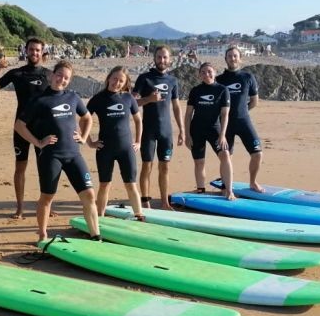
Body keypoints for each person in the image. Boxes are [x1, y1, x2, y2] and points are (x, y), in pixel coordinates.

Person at [15, 60, 100, 242]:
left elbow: (86, 117)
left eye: (66, 78)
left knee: (89, 194)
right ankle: (43, 234)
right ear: (51, 75)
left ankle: (95, 234)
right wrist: (38, 142)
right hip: (50, 156)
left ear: (69, 80)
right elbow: (19, 125)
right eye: (59, 75)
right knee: (47, 196)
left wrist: (84, 138)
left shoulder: (73, 97)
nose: (61, 79)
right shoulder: (38, 100)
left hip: (73, 154)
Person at [0, 37, 51, 218]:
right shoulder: (17, 73)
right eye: (31, 49)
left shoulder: (49, 75)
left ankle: (45, 205)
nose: (34, 53)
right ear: (26, 51)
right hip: (21, 127)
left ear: (42, 52)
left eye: (37, 50)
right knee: (20, 168)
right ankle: (20, 207)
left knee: (45, 168)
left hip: (43, 129)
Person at [86, 66, 144, 219]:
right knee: (105, 184)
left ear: (125, 83)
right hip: (105, 149)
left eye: (121, 81)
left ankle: (139, 215)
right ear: (109, 78)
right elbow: (84, 120)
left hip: (126, 149)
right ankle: (100, 217)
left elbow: (138, 120)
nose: (117, 83)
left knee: (131, 184)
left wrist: (138, 141)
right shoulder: (98, 99)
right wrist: (90, 142)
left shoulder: (128, 98)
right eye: (114, 79)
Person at [133, 45, 185, 209]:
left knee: (165, 167)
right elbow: (132, 103)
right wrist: (148, 99)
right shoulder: (144, 78)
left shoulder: (172, 80)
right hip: (148, 130)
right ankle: (145, 202)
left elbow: (176, 107)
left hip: (166, 131)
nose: (162, 60)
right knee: (147, 165)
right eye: (159, 57)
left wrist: (182, 130)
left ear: (170, 60)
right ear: (154, 58)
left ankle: (164, 202)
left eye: (165, 57)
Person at [216, 46, 264, 191]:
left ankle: (253, 182)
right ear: (226, 59)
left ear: (240, 58)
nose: (232, 58)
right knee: (226, 156)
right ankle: (225, 185)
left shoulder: (248, 77)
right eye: (229, 56)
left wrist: (242, 111)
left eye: (235, 56)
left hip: (244, 121)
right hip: (225, 124)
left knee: (257, 153)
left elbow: (255, 101)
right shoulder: (219, 80)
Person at [185, 62, 235, 199]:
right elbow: (188, 114)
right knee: (199, 162)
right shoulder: (195, 91)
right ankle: (201, 189)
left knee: (225, 155)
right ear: (199, 75)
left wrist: (223, 135)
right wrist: (187, 135)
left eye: (209, 71)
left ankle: (229, 190)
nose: (206, 74)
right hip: (197, 129)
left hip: (215, 129)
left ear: (214, 72)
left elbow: (225, 114)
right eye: (203, 72)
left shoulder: (223, 90)